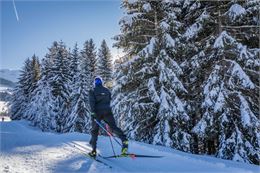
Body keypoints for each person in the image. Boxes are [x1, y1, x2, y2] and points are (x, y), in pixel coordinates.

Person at [88, 76, 128, 157]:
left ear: (94, 83)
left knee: (94, 131)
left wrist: (93, 113)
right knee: (113, 127)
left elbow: (91, 103)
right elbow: (109, 99)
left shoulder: (92, 91)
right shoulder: (107, 90)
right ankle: (124, 140)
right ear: (101, 82)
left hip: (97, 113)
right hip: (107, 112)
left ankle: (94, 150)